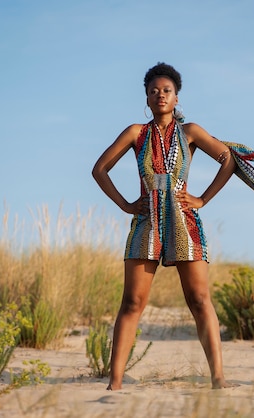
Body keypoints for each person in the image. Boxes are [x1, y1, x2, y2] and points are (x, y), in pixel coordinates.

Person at [92, 62, 236, 390]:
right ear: (146, 98)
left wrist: (202, 199)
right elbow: (99, 169)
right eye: (154, 91)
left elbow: (228, 160)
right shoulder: (135, 133)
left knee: (200, 299)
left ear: (176, 97)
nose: (160, 95)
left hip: (184, 221)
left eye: (166, 91)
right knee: (132, 303)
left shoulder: (191, 132)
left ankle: (218, 379)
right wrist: (126, 205)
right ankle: (114, 384)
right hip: (146, 221)